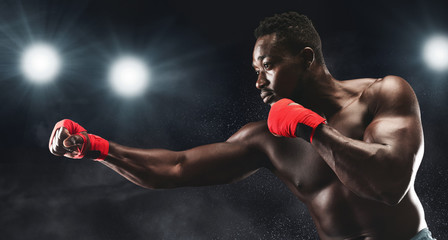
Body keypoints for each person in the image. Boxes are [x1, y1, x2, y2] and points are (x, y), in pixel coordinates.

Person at [49, 12, 435, 240]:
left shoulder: (382, 94)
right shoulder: (266, 139)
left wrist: (313, 130)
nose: (258, 82)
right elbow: (176, 167)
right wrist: (96, 147)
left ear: (306, 58)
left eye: (267, 66)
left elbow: (390, 186)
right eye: (255, 71)